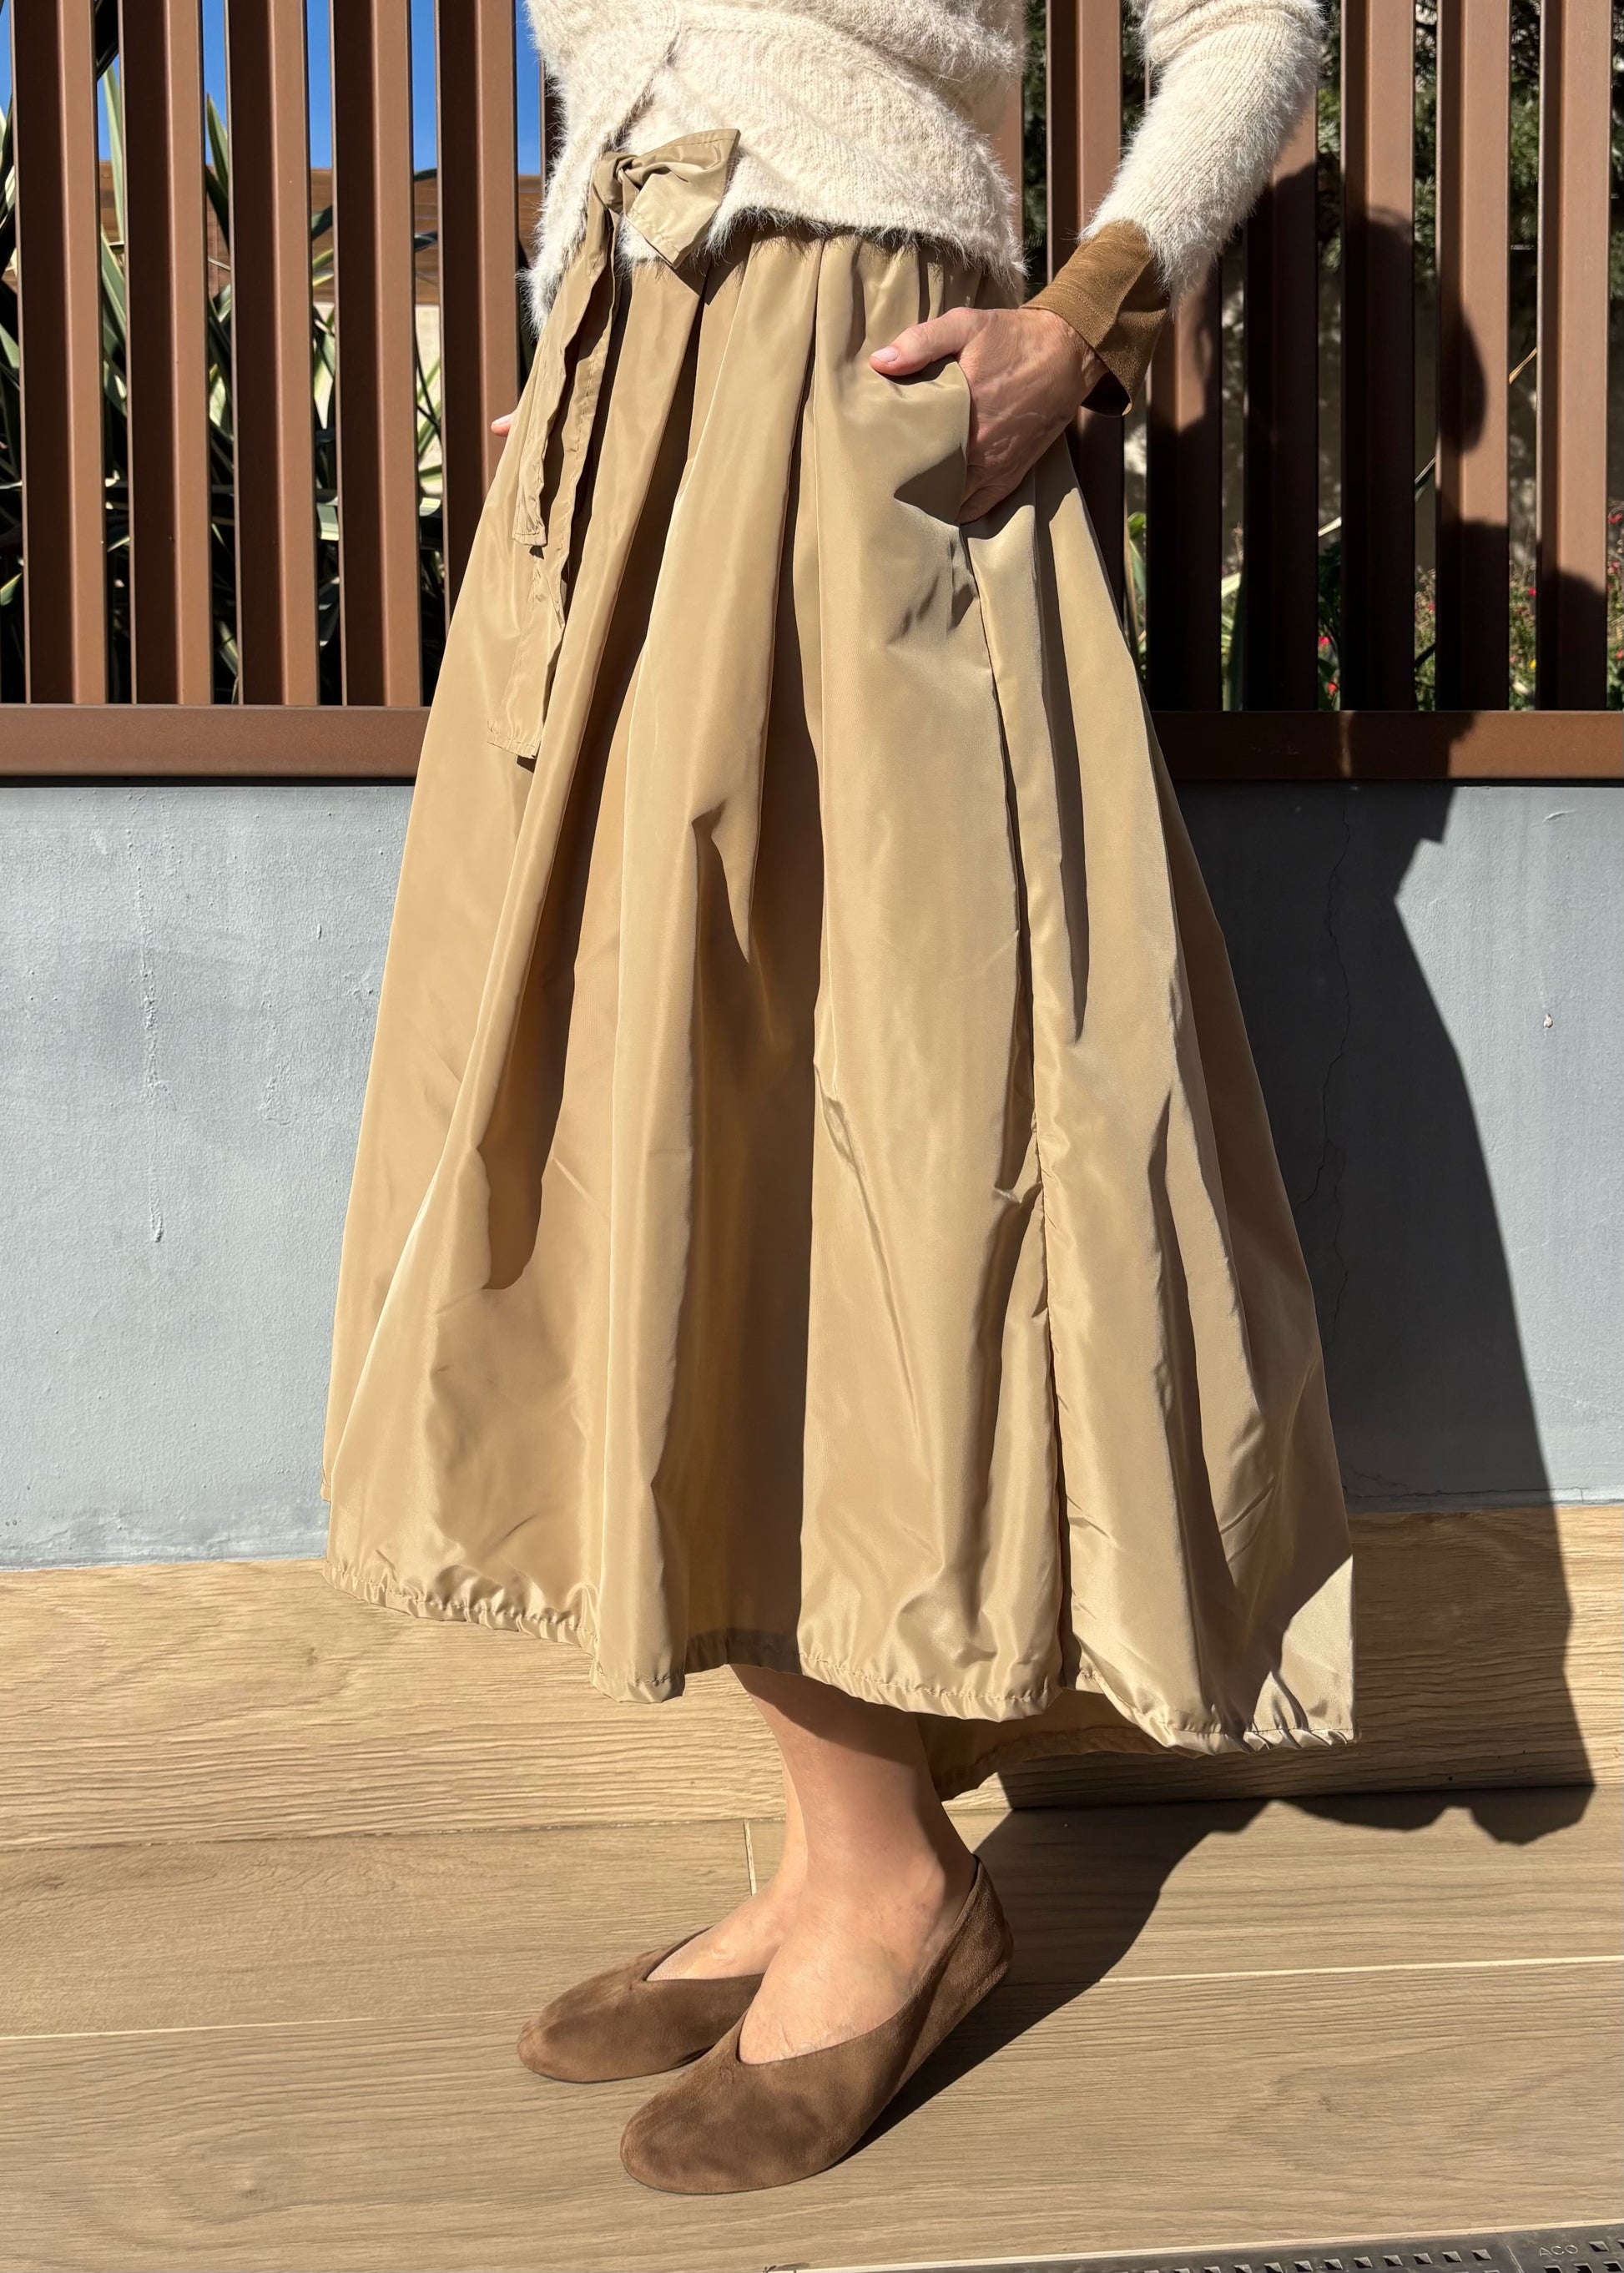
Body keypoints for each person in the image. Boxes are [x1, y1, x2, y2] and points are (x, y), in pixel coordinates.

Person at [320, 0, 1353, 2197]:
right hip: (633, 410)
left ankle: (897, 1888)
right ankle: (824, 1855)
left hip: (858, 395)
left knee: (853, 1097)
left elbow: (1256, 24)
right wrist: (587, 334)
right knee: (668, 1102)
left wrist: (1083, 313)